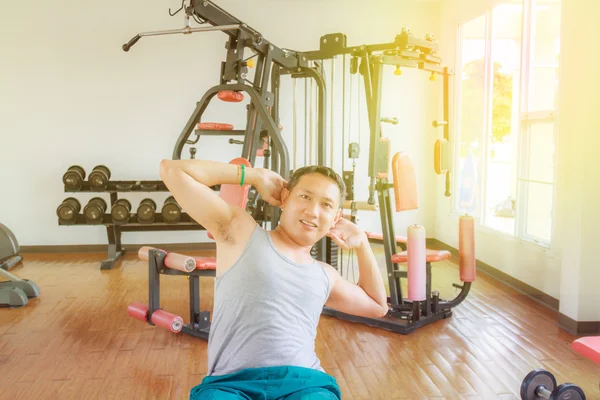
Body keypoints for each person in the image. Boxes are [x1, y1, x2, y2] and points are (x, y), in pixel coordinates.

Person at [160, 158, 389, 400]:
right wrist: (255, 175)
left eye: (326, 205)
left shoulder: (325, 275)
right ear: (285, 198)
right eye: (305, 197)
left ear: (335, 218)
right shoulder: (239, 231)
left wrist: (362, 243)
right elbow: (173, 170)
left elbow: (378, 306)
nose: (313, 211)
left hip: (305, 384)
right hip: (230, 385)